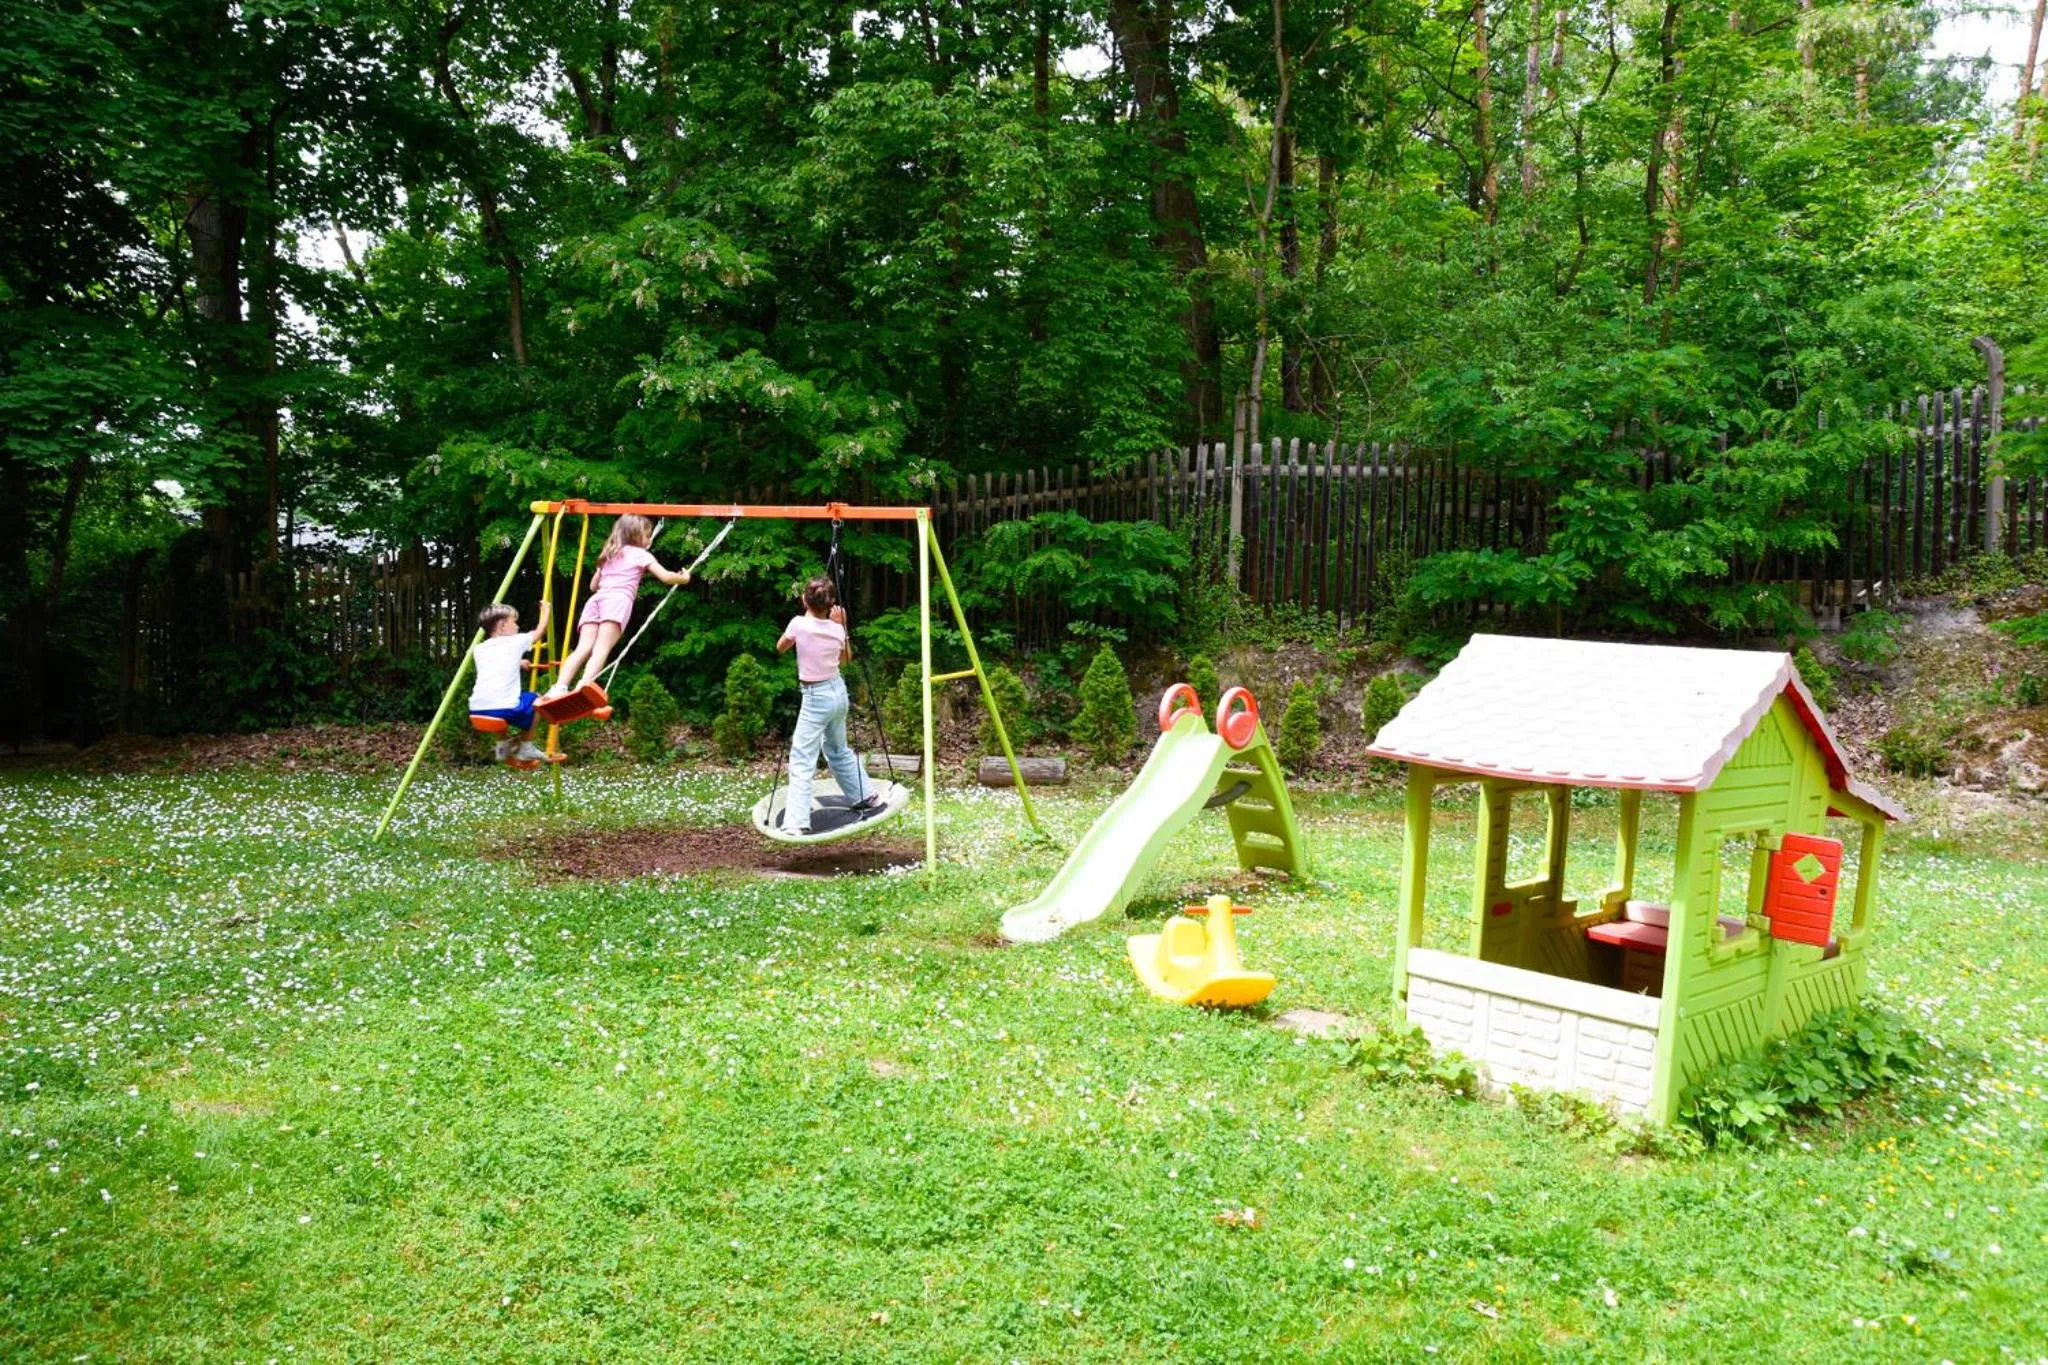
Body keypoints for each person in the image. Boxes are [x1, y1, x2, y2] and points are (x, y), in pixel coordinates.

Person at [546, 514, 691, 700]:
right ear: (636, 535)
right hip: (617, 602)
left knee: (582, 648)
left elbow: (592, 587)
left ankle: (559, 687)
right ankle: (583, 686)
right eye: (647, 535)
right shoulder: (641, 555)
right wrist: (684, 578)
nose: (649, 540)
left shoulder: (609, 554)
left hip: (597, 600)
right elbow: (666, 577)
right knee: (601, 648)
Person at [776, 575, 879, 835]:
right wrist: (842, 626)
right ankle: (865, 795)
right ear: (831, 605)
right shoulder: (836, 629)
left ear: (804, 600)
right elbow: (846, 659)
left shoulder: (798, 624)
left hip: (815, 697)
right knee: (837, 748)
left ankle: (796, 822)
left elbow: (781, 647)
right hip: (838, 693)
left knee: (801, 759)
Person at [469, 598, 552, 765]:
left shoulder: (479, 649)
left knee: (500, 724)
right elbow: (539, 631)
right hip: (503, 708)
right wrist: (546, 611)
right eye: (514, 622)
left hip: (477, 710)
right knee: (538, 700)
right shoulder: (516, 641)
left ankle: (503, 751)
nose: (518, 626)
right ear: (502, 626)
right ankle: (526, 747)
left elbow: (494, 665)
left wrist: (518, 662)